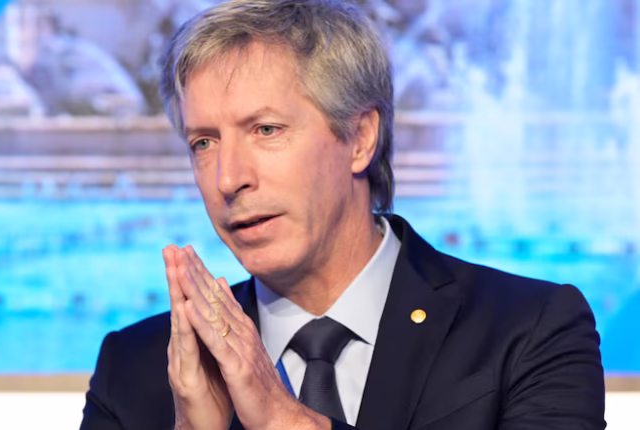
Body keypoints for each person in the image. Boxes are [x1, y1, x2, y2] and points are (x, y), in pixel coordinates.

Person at [80, 1, 605, 429]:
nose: (227, 178)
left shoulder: (530, 329)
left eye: (266, 130)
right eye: (203, 142)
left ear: (359, 139)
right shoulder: (137, 366)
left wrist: (285, 421)